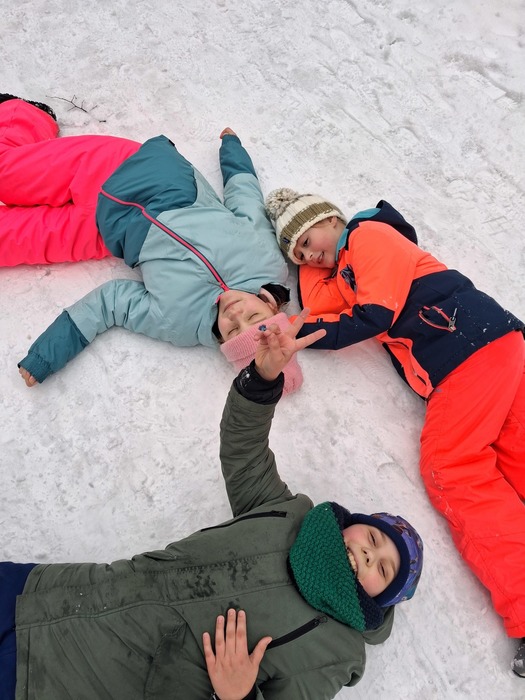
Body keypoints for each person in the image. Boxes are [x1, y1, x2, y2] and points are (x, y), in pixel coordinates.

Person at [0, 312, 424, 700]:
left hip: (62, 681)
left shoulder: (334, 651)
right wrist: (262, 378)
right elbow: (244, 453)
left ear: (381, 598)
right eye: (373, 538)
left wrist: (238, 696)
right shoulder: (290, 514)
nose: (369, 554)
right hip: (50, 593)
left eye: (384, 569)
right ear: (352, 524)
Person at [264, 187, 525, 675]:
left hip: (462, 350)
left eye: (308, 239)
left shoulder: (370, 235)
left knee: (454, 468)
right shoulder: (346, 270)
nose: (308, 255)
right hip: (491, 346)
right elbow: (320, 307)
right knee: (515, 457)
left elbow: (375, 315)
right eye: (298, 254)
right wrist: (303, 269)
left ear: (332, 218)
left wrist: (301, 335)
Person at [0, 95, 302, 393]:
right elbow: (245, 196)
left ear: (222, 341)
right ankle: (24, 114)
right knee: (7, 175)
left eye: (233, 330)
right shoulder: (265, 261)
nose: (236, 315)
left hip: (108, 227)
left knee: (9, 241)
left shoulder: (178, 322)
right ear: (271, 307)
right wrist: (232, 148)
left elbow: (112, 302)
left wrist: (47, 355)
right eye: (254, 317)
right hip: (136, 172)